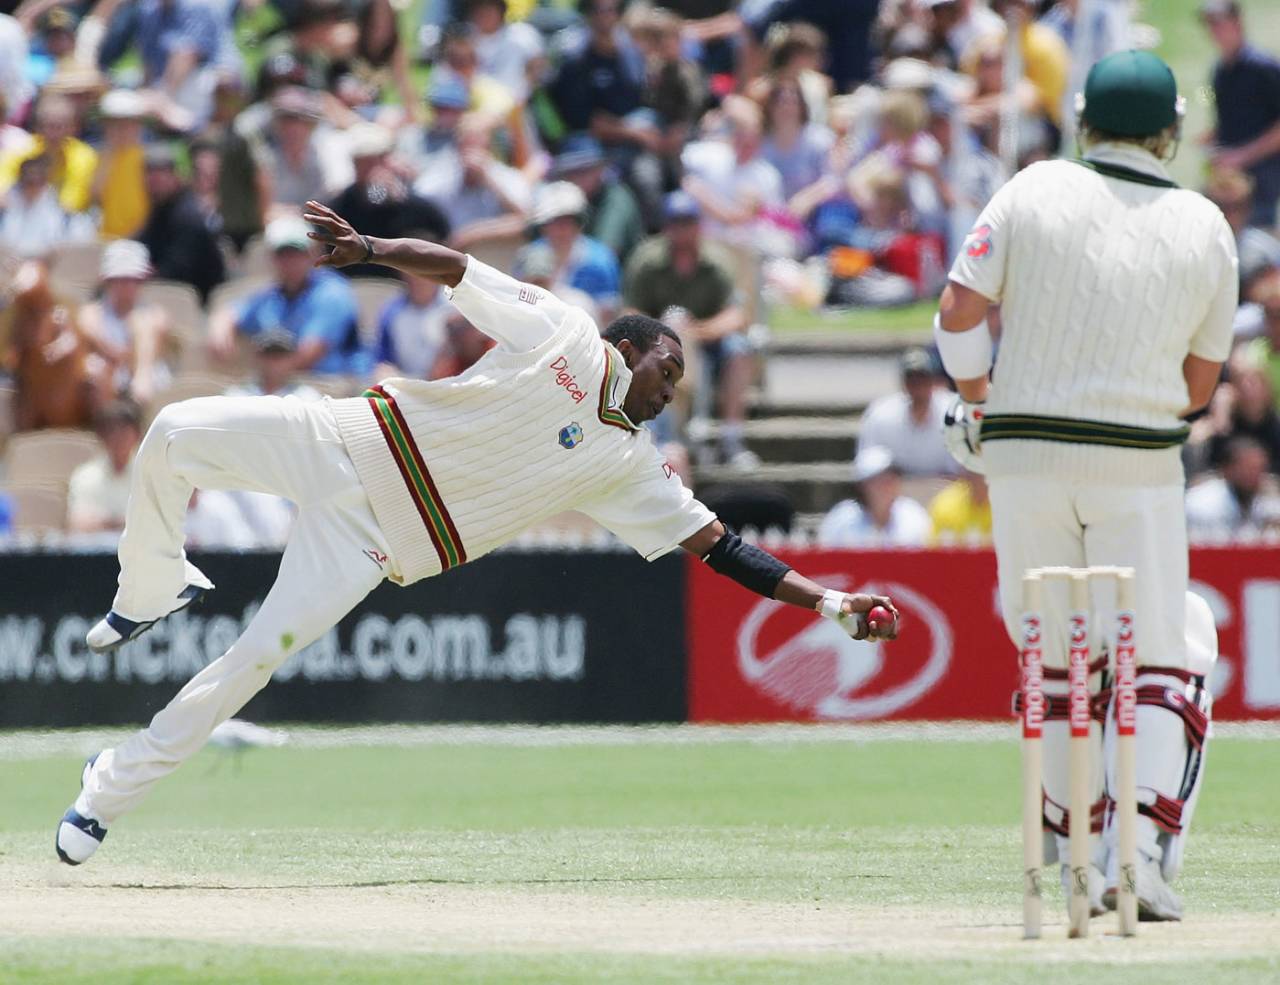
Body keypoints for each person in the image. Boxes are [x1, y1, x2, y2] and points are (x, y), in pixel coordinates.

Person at [55, 200, 900, 866]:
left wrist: (828, 603)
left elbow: (721, 547)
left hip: (371, 549)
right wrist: (370, 250)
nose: (671, 387)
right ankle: (152, 585)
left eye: (679, 380)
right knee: (168, 433)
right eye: (667, 367)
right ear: (629, 346)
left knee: (249, 664)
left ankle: (106, 793)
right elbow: (458, 268)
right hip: (349, 439)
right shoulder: (566, 332)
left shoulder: (631, 467)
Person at [935, 52, 1237, 923]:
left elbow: (958, 309)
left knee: (1058, 656)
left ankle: (1069, 851)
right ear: (1169, 131)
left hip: (1020, 455)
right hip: (1137, 461)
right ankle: (1135, 860)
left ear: (1084, 121)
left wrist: (978, 396)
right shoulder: (1204, 222)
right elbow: (1197, 390)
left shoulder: (1031, 189)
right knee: (1162, 651)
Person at [623, 191, 756, 466]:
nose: (682, 230)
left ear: (699, 226)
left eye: (688, 222)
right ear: (666, 227)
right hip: (657, 343)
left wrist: (694, 332)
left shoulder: (717, 262)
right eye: (676, 223)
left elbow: (736, 315)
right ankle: (667, 434)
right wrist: (663, 333)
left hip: (709, 342)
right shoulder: (647, 260)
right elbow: (629, 311)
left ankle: (732, 439)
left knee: (741, 350)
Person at [209, 216, 367, 377]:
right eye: (282, 254)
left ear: (313, 253)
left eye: (297, 253)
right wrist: (221, 329)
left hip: (335, 385)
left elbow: (309, 354)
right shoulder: (270, 297)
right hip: (287, 386)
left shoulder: (333, 293)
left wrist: (268, 376)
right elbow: (230, 313)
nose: (290, 261)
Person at [1201, 0, 1280, 228]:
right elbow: (1230, 118)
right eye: (1209, 24)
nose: (1213, 30)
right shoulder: (1219, 70)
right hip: (1227, 180)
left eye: (1218, 23)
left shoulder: (1263, 68)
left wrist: (1241, 155)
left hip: (1260, 182)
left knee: (1255, 250)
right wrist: (1213, 138)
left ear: (1237, 22)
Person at [77, 240, 172, 408]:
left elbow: (149, 350)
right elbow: (95, 339)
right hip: (105, 387)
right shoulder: (91, 314)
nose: (127, 286)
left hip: (147, 387)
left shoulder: (154, 316)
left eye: (133, 279)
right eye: (120, 279)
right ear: (108, 281)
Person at [135, 143, 226, 302]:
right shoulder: (161, 208)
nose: (155, 179)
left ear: (178, 176)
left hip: (198, 306)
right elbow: (140, 243)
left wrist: (141, 274)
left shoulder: (188, 215)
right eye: (149, 171)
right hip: (169, 298)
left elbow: (175, 271)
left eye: (163, 172)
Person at [524, 181, 622, 322]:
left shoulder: (601, 261)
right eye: (554, 222)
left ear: (579, 223)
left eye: (567, 222)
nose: (561, 229)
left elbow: (607, 317)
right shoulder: (529, 256)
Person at [857, 347, 957, 477]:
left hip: (947, 490)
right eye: (911, 380)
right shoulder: (881, 415)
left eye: (923, 379)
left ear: (933, 381)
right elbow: (868, 464)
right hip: (895, 491)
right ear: (903, 383)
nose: (917, 386)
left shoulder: (954, 413)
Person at [816, 446, 930, 548]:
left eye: (892, 478)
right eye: (879, 481)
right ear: (862, 487)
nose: (887, 486)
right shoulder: (841, 520)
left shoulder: (914, 516)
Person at [66, 399, 143, 536]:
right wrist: (119, 522)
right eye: (112, 431)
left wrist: (106, 522)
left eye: (124, 431)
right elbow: (77, 523)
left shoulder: (149, 473)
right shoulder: (84, 475)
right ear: (102, 436)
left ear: (137, 435)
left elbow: (154, 523)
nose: (118, 438)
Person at [1185, 436, 1280, 541]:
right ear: (1227, 469)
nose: (1254, 475)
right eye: (1247, 469)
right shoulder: (1199, 503)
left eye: (1259, 468)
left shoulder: (1270, 504)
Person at [927, 469, 991, 545]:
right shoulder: (944, 506)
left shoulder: (1006, 507)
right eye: (976, 475)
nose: (982, 481)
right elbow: (933, 548)